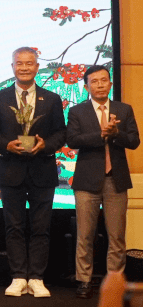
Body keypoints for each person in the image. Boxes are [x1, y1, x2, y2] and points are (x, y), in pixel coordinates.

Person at [0, 47, 66, 298]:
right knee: (14, 227)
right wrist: (6, 145)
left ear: (37, 67)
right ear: (12, 67)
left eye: (29, 63)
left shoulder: (51, 98)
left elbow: (60, 133)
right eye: (19, 63)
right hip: (11, 170)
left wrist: (46, 145)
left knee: (41, 228)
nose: (24, 68)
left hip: (43, 170)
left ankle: (37, 278)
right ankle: (19, 277)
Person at [67, 65, 140, 300]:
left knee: (117, 236)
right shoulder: (77, 111)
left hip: (115, 180)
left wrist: (116, 133)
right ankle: (84, 280)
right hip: (87, 181)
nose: (99, 85)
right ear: (86, 86)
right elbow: (72, 140)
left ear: (110, 83)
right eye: (94, 81)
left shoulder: (124, 109)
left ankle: (114, 281)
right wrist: (100, 134)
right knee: (85, 235)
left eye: (103, 80)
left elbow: (134, 141)